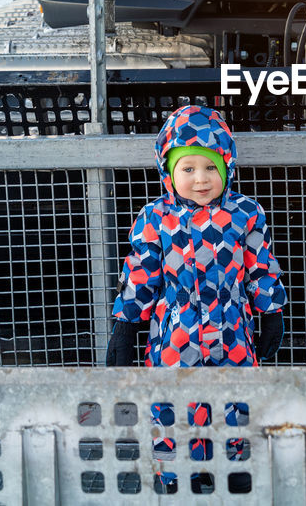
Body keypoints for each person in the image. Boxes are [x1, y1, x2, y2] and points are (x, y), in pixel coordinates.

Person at [105, 105, 288, 366]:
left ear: (227, 167)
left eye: (211, 168)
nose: (201, 179)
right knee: (175, 398)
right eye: (188, 169)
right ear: (169, 172)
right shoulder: (156, 217)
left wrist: (272, 312)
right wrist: (126, 325)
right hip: (176, 338)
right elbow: (141, 273)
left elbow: (260, 267)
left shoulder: (245, 213)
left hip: (232, 335)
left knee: (234, 396)